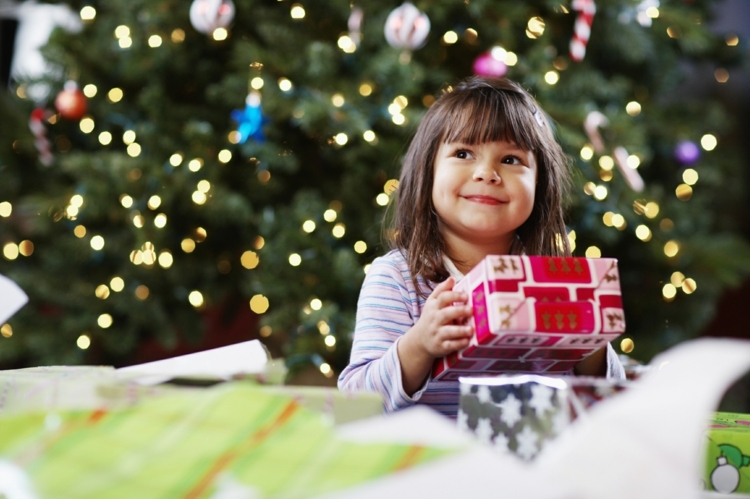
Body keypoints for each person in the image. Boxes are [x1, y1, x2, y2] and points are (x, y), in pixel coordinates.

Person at [338, 76, 625, 417]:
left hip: (525, 465)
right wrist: (419, 345)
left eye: (510, 159)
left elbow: (610, 407)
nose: (487, 173)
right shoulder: (398, 278)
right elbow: (356, 403)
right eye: (463, 153)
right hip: (426, 462)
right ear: (428, 172)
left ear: (539, 184)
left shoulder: (552, 283)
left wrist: (590, 344)